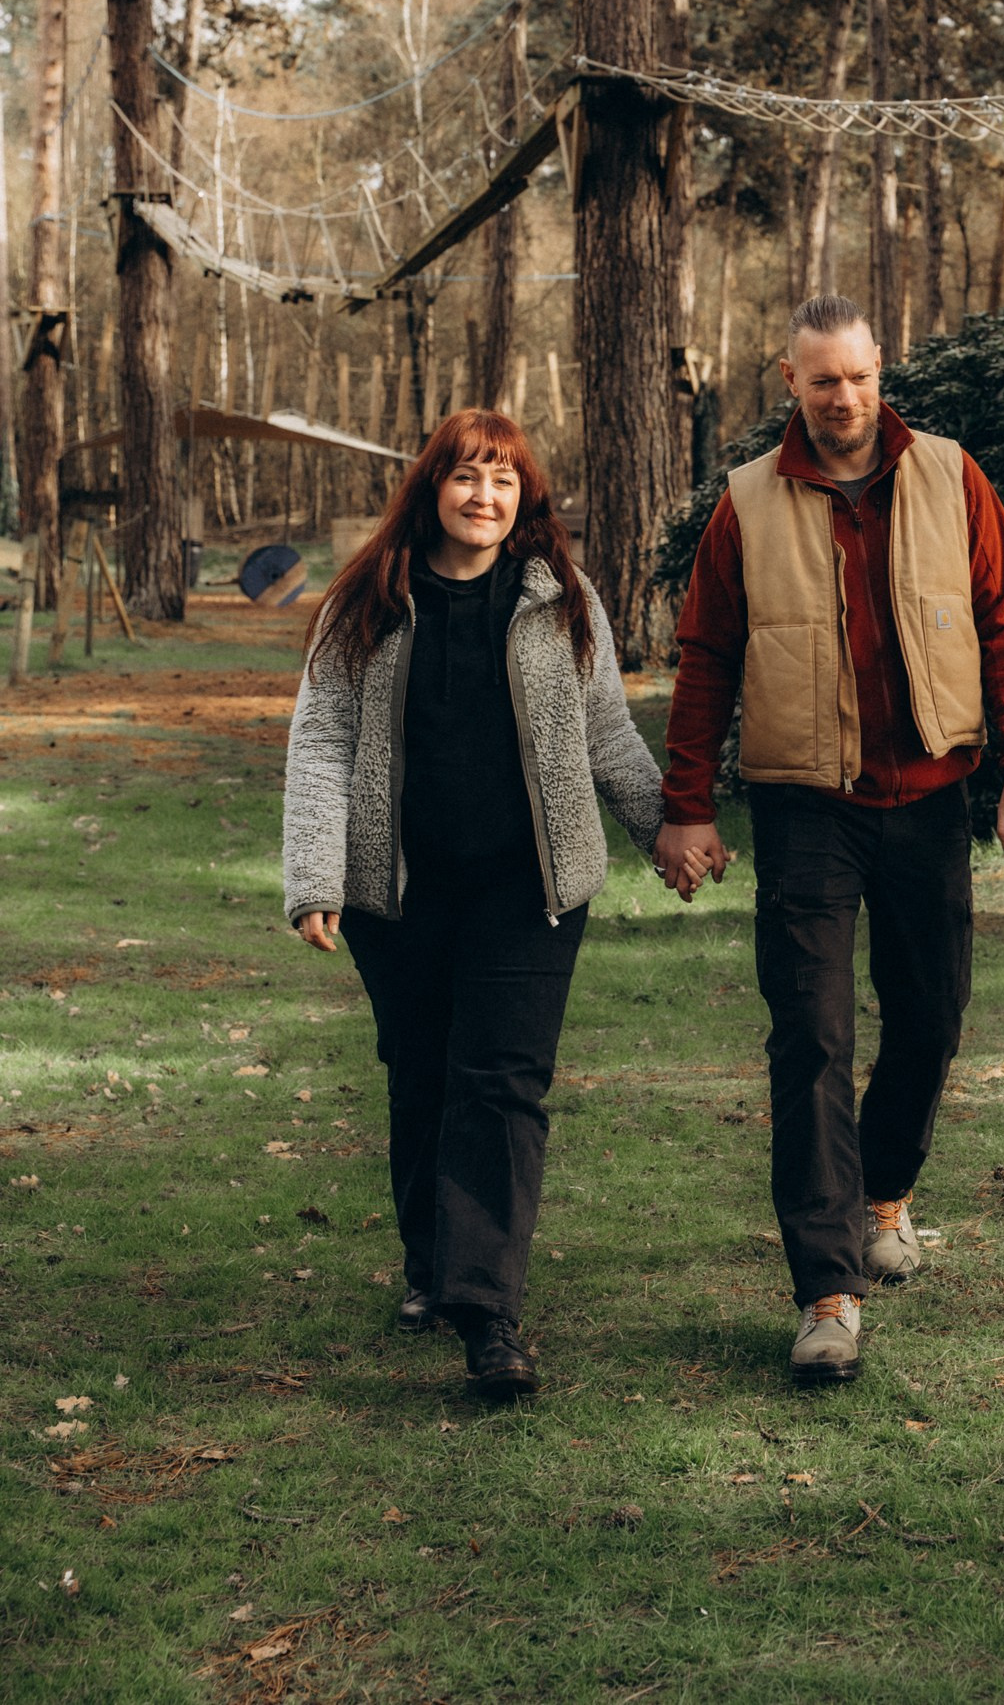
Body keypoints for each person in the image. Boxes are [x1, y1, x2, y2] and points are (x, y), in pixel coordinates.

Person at [655, 294, 1004, 1385]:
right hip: (805, 810)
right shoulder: (747, 501)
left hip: (930, 798)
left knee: (931, 1017)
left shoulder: (951, 476)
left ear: (884, 372)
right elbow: (706, 658)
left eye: (860, 377)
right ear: (790, 380)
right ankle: (826, 1293)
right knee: (812, 1039)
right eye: (823, 380)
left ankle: (885, 1196)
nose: (844, 398)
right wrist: (687, 804)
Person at [282, 410, 663, 1399]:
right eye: (465, 476)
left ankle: (488, 1313)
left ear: (524, 496)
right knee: (422, 1076)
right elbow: (322, 741)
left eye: (502, 479)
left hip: (528, 888)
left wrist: (667, 830)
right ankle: (430, 1266)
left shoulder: (561, 598)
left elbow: (607, 736)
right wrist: (315, 877)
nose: (482, 495)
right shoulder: (367, 598)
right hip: (398, 890)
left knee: (500, 1083)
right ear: (432, 488)